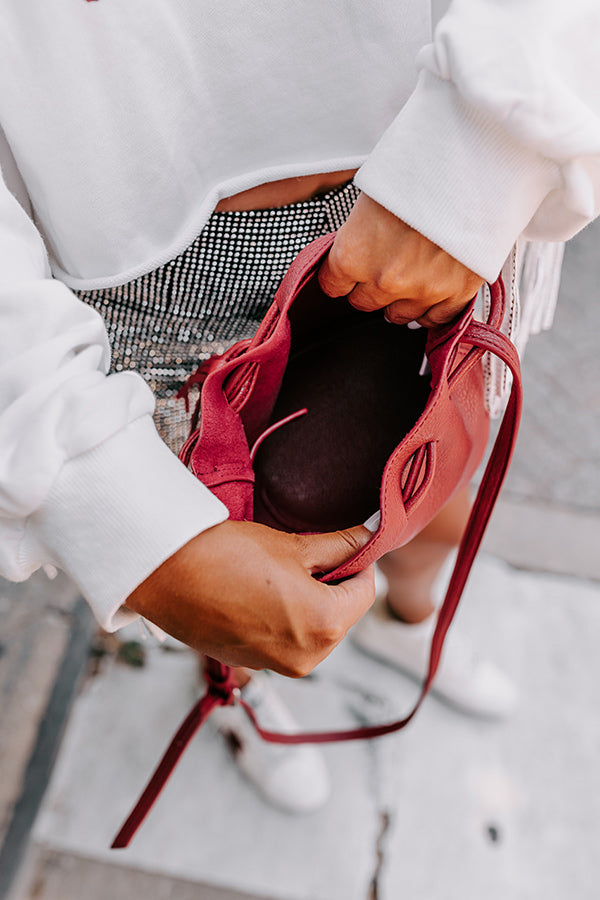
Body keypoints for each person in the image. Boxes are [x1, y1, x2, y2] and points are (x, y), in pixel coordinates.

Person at [2, 1, 600, 812]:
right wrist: (101, 497)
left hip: (414, 172)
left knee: (430, 504)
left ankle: (408, 621)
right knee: (240, 554)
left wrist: (476, 159)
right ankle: (239, 691)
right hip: (130, 263)